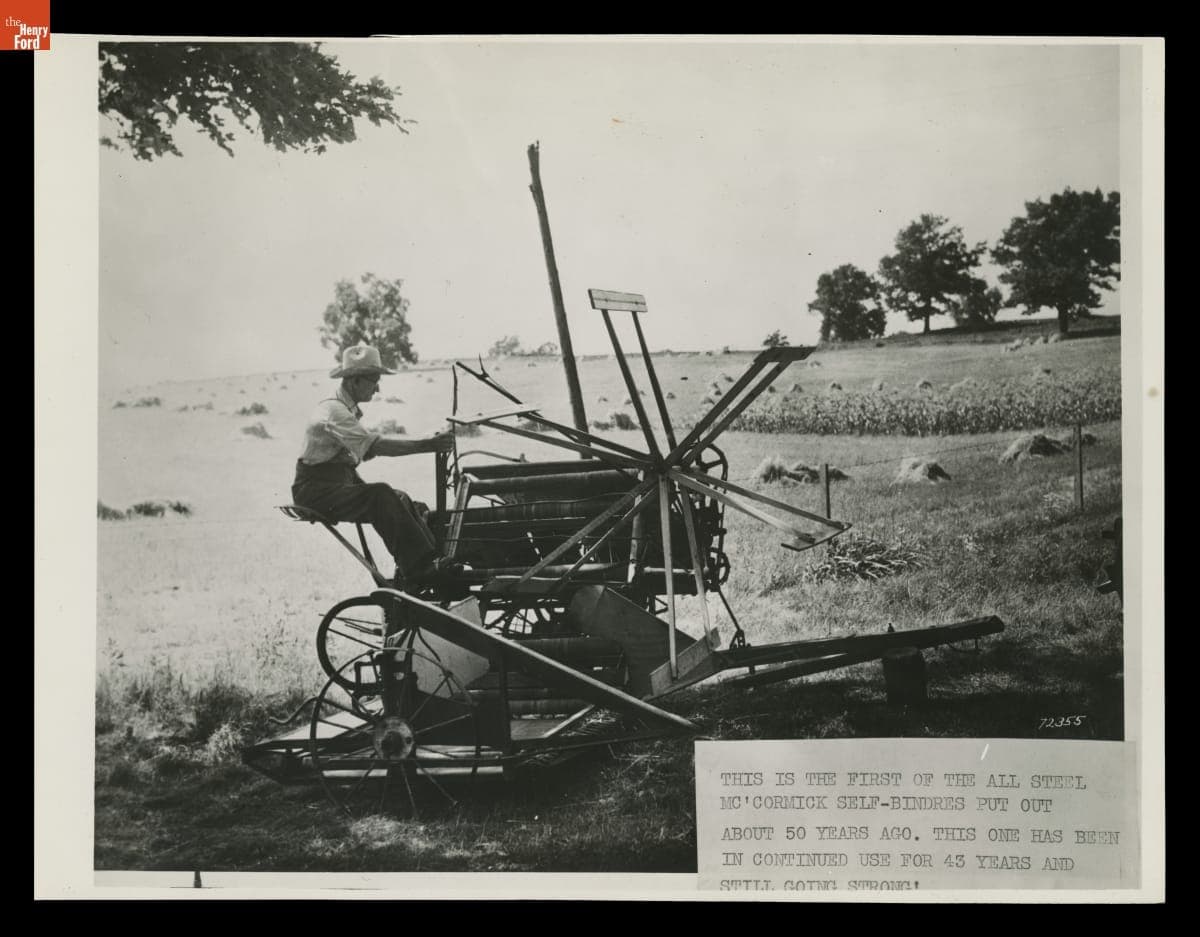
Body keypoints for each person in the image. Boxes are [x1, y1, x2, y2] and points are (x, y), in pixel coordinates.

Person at [291, 344, 457, 589]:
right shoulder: (334, 411)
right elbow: (375, 447)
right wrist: (428, 445)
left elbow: (361, 452)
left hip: (336, 482)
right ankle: (419, 570)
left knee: (404, 500)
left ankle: (431, 562)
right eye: (374, 381)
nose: (378, 388)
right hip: (315, 491)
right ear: (355, 381)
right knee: (380, 494)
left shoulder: (345, 409)